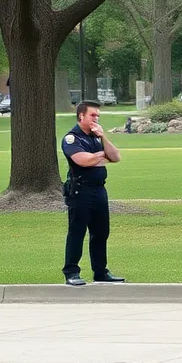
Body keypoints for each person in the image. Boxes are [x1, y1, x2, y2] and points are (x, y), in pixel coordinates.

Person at [61, 101, 125, 286]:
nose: (96, 119)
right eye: (92, 115)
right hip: (80, 190)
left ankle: (100, 272)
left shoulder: (96, 138)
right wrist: (102, 156)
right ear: (81, 116)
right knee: (77, 232)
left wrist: (104, 139)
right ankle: (71, 272)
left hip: (99, 190)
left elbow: (116, 157)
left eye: (97, 116)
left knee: (101, 232)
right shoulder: (72, 139)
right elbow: (83, 160)